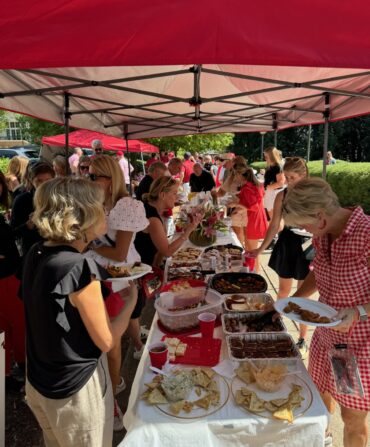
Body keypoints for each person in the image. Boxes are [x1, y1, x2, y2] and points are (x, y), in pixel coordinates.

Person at [20, 177, 138, 446]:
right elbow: (107, 340)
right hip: (75, 393)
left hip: (40, 382)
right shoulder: (78, 267)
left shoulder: (37, 252)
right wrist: (131, 300)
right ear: (83, 215)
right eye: (100, 206)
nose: (106, 211)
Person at [282, 177, 370, 447]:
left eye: (304, 225)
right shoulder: (325, 233)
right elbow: (319, 272)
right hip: (326, 337)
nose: (304, 230)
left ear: (319, 217)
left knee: (352, 417)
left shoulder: (367, 235)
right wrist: (293, 300)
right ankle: (324, 439)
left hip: (356, 345)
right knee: (319, 397)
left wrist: (358, 312)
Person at [86, 155, 148, 430]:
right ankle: (113, 384)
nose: (88, 181)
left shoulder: (127, 205)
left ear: (110, 179)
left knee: (109, 344)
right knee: (102, 342)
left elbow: (120, 253)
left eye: (93, 176)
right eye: (86, 175)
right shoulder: (97, 204)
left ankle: (112, 404)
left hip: (117, 279)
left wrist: (88, 244)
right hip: (98, 277)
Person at [248, 157, 310, 355]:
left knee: (303, 294)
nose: (289, 182)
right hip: (288, 242)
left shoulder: (312, 195)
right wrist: (259, 250)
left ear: (304, 176)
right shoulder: (281, 195)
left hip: (307, 244)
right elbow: (274, 226)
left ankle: (302, 336)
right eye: (287, 178)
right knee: (283, 291)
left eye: (293, 178)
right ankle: (277, 324)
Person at [134, 176, 202, 266]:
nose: (177, 197)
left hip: (148, 267)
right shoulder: (153, 219)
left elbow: (160, 251)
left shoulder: (152, 209)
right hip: (142, 271)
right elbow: (167, 251)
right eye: (174, 193)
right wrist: (188, 230)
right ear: (162, 195)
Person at [0, 172, 24, 390]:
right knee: (16, 324)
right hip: (5, 278)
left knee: (7, 327)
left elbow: (8, 237)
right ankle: (19, 368)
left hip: (9, 274)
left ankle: (6, 373)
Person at [11, 162, 55, 256]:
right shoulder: (22, 200)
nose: (43, 184)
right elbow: (13, 232)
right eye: (39, 180)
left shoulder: (60, 198)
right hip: (33, 252)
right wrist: (28, 225)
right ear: (31, 181)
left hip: (57, 250)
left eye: (47, 180)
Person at [228, 167, 267, 273]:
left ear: (241, 176)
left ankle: (256, 272)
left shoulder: (248, 188)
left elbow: (254, 207)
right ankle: (253, 270)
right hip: (255, 218)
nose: (235, 177)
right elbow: (249, 204)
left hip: (253, 219)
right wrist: (238, 209)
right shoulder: (254, 185)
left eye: (236, 175)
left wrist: (236, 204)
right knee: (251, 249)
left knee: (252, 250)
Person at [211, 156, 248, 247]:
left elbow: (222, 192)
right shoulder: (232, 174)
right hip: (240, 207)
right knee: (241, 233)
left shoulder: (243, 176)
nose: (229, 164)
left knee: (241, 234)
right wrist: (214, 193)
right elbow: (222, 191)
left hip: (241, 208)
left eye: (232, 162)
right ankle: (243, 252)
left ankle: (242, 252)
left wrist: (215, 194)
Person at [263, 146, 285, 222]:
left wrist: (268, 187)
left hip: (274, 194)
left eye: (266, 156)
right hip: (270, 194)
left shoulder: (277, 167)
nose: (265, 158)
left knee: (275, 219)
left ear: (272, 156)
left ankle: (276, 233)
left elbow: (281, 182)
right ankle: (275, 233)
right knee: (272, 218)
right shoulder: (270, 166)